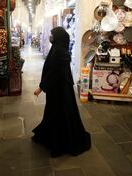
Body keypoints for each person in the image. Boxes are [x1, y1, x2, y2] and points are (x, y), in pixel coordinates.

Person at [32, 27, 91, 157]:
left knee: (59, 115)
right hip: (59, 89)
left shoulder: (59, 52)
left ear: (58, 38)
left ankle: (59, 144)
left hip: (60, 91)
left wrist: (41, 88)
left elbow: (53, 73)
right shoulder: (58, 49)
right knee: (58, 114)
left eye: (52, 35)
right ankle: (57, 140)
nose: (50, 37)